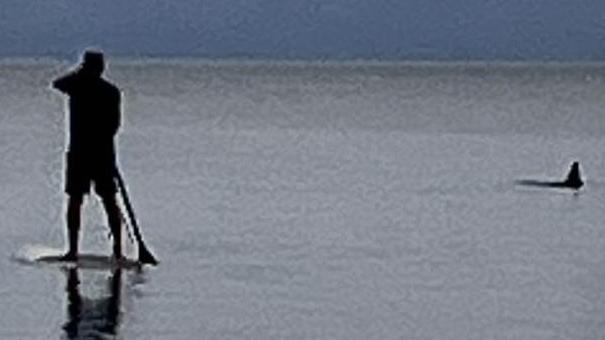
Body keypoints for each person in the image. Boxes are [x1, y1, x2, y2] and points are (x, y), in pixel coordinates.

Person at [52, 50, 123, 261]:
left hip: (91, 154)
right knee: (81, 200)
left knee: (105, 200)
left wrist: (79, 73)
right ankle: (76, 249)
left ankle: (115, 249)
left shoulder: (92, 89)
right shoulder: (84, 87)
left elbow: (113, 125)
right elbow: (57, 84)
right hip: (89, 154)